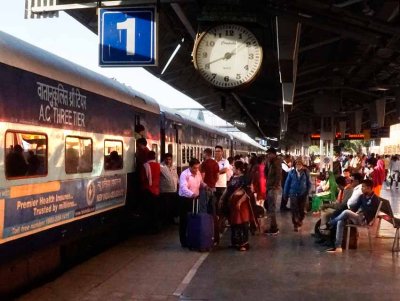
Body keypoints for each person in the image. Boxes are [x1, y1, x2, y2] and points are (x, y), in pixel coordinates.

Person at [326, 179, 380, 253]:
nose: (361, 188)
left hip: (364, 220)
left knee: (346, 212)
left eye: (363, 187)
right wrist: (351, 212)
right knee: (340, 221)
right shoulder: (362, 196)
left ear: (369, 188)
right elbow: (355, 208)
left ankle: (331, 223)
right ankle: (338, 247)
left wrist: (357, 213)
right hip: (357, 217)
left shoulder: (375, 199)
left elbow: (372, 214)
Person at [220, 161, 252, 251]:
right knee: (234, 223)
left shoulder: (245, 178)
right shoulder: (233, 177)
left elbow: (247, 192)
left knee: (242, 223)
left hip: (242, 205)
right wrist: (222, 198)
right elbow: (228, 189)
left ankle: (244, 243)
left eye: (234, 167)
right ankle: (235, 242)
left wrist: (240, 202)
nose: (232, 168)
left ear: (238, 169)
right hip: (233, 204)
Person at [178, 158, 206, 248]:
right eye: (194, 168)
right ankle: (183, 241)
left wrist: (205, 185)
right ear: (189, 167)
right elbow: (183, 188)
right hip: (185, 199)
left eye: (197, 168)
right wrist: (192, 194)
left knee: (193, 219)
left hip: (195, 199)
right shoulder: (184, 174)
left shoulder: (197, 173)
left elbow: (200, 182)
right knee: (184, 220)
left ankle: (192, 238)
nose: (196, 170)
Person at [283, 159, 311, 231]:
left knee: (302, 210)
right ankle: (295, 224)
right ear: (295, 165)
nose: (298, 166)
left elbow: (309, 183)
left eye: (300, 164)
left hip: (303, 193)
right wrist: (285, 194)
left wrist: (307, 192)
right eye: (297, 164)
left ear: (302, 165)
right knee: (294, 209)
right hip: (293, 193)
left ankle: (300, 220)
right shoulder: (291, 173)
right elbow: (287, 183)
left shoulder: (306, 172)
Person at [200, 148, 220, 241]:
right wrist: (213, 184)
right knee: (212, 208)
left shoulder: (204, 163)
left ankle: (204, 226)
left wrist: (204, 185)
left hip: (205, 188)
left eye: (203, 154)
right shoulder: (215, 163)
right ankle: (212, 226)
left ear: (205, 154)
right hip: (213, 187)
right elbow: (217, 176)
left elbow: (202, 176)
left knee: (204, 208)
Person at [214, 145, 231, 244]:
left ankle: (221, 224)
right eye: (216, 151)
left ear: (222, 152)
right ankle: (217, 226)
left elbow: (225, 170)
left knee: (221, 206)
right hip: (213, 186)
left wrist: (215, 172)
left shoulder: (226, 161)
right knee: (214, 207)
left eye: (219, 151)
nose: (217, 153)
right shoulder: (212, 161)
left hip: (222, 186)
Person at [141, 151, 161, 233]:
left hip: (148, 190)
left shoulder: (145, 166)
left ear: (147, 157)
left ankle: (149, 228)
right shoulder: (158, 165)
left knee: (148, 211)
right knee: (155, 210)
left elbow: (142, 178)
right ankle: (157, 228)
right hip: (156, 190)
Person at [264, 147, 282, 235]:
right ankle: (272, 226)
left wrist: (275, 186)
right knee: (270, 208)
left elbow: (278, 175)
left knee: (272, 208)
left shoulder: (276, 162)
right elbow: (266, 173)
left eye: (269, 154)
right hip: (269, 187)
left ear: (273, 154)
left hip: (273, 188)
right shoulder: (270, 162)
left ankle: (274, 228)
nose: (268, 155)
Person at [159, 153, 179, 224]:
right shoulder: (161, 166)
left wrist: (178, 183)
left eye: (169, 159)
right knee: (166, 206)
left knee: (172, 206)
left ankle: (171, 219)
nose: (168, 161)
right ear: (164, 159)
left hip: (173, 189)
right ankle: (166, 220)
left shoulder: (173, 167)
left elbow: (176, 176)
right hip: (165, 190)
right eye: (167, 159)